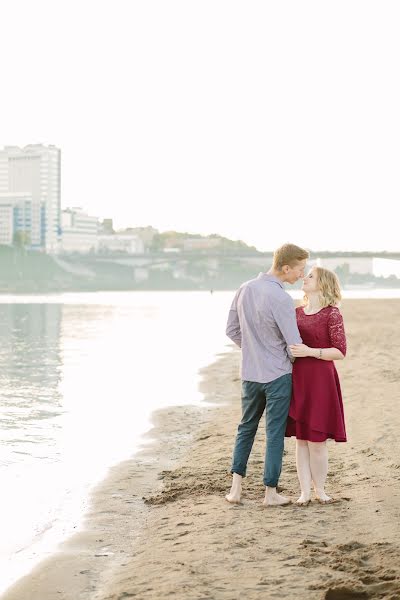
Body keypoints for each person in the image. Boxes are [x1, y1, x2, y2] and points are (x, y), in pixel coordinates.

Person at [225, 243, 309, 506]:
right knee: (274, 433)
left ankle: (235, 490)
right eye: (299, 269)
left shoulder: (245, 288)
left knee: (246, 428)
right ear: (286, 267)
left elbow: (231, 330)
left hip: (250, 373)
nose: (300, 275)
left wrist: (252, 349)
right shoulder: (282, 298)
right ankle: (270, 493)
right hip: (277, 375)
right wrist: (289, 357)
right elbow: (293, 342)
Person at [286, 266, 347, 505]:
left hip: (321, 380)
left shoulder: (332, 314)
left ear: (323, 284)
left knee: (317, 441)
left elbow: (340, 352)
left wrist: (310, 351)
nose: (304, 278)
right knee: (301, 440)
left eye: (310, 276)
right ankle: (305, 492)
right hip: (298, 378)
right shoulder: (296, 312)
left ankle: (320, 490)